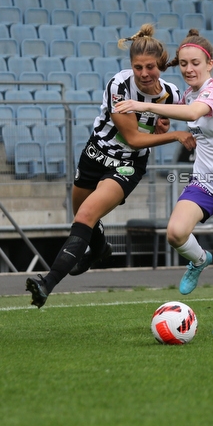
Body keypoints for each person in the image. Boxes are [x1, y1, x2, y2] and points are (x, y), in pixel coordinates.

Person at [25, 24, 195, 308]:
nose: (143, 73)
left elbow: (161, 127)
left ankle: (46, 284)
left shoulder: (171, 94)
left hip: (126, 166)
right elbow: (132, 137)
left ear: (160, 66)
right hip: (95, 155)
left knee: (86, 215)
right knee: (81, 215)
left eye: (150, 67)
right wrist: (174, 134)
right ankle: (100, 249)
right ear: (130, 66)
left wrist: (162, 126)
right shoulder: (119, 85)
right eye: (137, 67)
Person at [114, 29, 213, 334]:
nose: (189, 69)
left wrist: (144, 106)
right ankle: (198, 260)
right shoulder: (188, 95)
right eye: (183, 64)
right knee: (175, 233)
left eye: (195, 63)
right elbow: (185, 114)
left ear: (209, 64)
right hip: (205, 181)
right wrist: (163, 125)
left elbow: (194, 113)